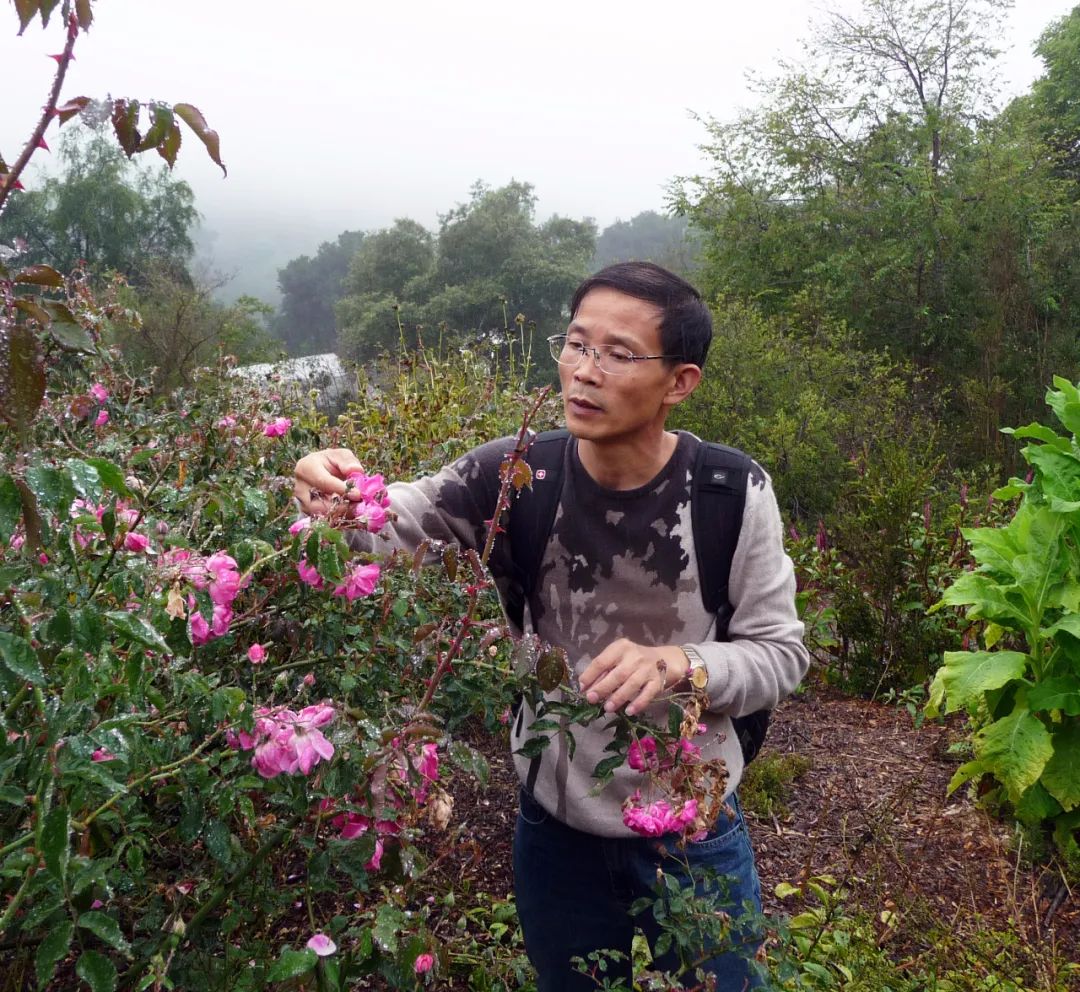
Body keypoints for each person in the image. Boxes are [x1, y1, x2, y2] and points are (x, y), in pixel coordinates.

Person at [293, 262, 809, 991]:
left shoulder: (729, 493)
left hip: (693, 832)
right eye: (575, 345)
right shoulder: (515, 474)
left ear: (680, 381)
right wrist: (331, 491)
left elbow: (781, 655)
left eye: (619, 354)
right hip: (555, 830)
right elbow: (385, 524)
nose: (585, 372)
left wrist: (681, 665)